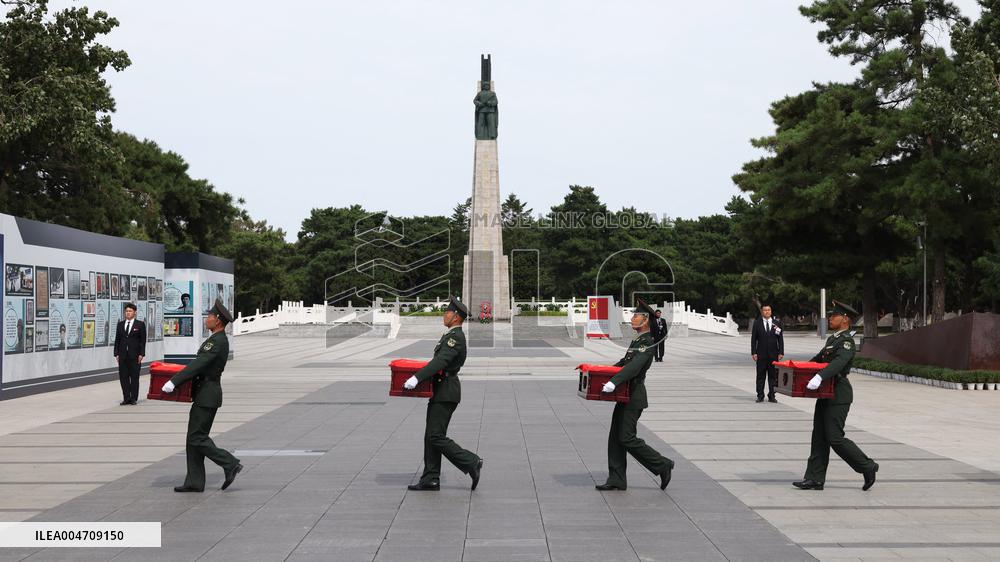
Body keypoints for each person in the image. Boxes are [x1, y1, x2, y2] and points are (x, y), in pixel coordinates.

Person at [793, 301, 879, 491]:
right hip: (825, 392)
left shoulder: (846, 342)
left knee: (834, 437)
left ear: (845, 319)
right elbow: (818, 359)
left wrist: (819, 376)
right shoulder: (833, 340)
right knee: (819, 437)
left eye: (834, 316)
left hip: (839, 393)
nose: (830, 318)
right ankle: (815, 478)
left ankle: (868, 466)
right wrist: (797, 370)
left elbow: (838, 363)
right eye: (830, 316)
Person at [403, 296, 483, 491]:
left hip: (446, 391)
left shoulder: (455, 337)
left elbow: (441, 362)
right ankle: (431, 478)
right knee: (431, 435)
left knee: (435, 436)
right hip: (441, 390)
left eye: (447, 312)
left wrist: (417, 378)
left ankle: (471, 461)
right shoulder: (450, 335)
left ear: (456, 316)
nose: (444, 315)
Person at [161, 299, 243, 493]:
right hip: (205, 394)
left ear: (218, 321)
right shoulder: (216, 339)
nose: (207, 320)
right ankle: (194, 481)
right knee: (193, 437)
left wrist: (174, 381)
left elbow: (198, 365)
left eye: (209, 317)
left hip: (208, 395)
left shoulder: (217, 341)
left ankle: (229, 463)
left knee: (197, 437)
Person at [596, 298, 675, 491]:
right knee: (616, 437)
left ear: (645, 320)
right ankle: (616, 478)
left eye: (636, 315)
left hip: (634, 396)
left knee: (626, 437)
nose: (632, 318)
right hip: (624, 394)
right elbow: (624, 363)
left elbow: (634, 367)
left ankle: (662, 464)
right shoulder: (638, 340)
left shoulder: (647, 342)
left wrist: (614, 382)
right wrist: (599, 372)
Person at [750, 304, 784, 403]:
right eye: (765, 310)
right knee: (760, 376)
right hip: (761, 354)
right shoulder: (757, 323)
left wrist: (781, 352)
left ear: (771, 311)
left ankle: (772, 395)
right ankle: (760, 395)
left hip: (774, 354)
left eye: (769, 310)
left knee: (773, 376)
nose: (767, 312)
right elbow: (753, 339)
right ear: (762, 312)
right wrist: (753, 352)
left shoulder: (777, 323)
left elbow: (780, 339)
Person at [113, 303, 145, 405]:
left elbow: (142, 341)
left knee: (134, 377)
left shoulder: (140, 324)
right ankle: (126, 398)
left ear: (134, 312)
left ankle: (133, 398)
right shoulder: (120, 324)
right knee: (124, 377)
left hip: (135, 356)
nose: (128, 313)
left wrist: (141, 354)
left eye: (130, 311)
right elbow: (117, 340)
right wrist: (116, 353)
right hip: (122, 356)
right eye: (126, 311)